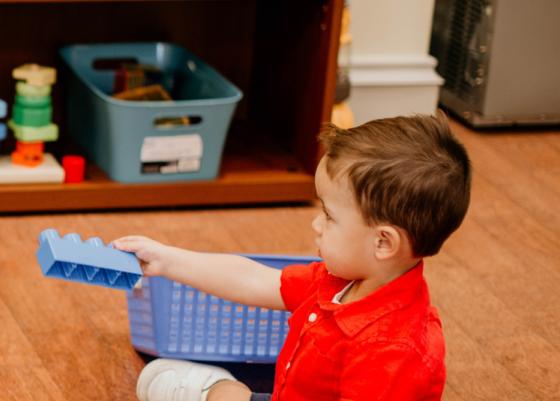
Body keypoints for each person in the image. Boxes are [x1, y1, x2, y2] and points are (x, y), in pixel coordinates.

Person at [121, 114, 469, 401]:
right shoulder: (344, 280)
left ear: (383, 243)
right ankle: (225, 389)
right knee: (159, 377)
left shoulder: (391, 354)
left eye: (329, 215)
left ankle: (221, 389)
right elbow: (256, 280)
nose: (316, 224)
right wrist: (167, 260)